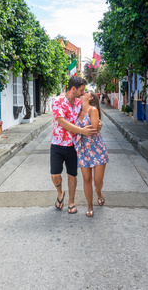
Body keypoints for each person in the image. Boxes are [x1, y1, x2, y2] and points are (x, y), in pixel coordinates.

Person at [51, 76, 97, 214]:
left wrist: (97, 123)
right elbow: (62, 122)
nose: (83, 93)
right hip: (58, 143)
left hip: (74, 144)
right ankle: (60, 193)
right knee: (55, 174)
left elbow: (87, 114)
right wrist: (82, 131)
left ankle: (71, 202)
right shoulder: (57, 101)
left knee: (72, 175)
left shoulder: (79, 103)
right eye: (81, 90)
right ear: (73, 89)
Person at [74, 91, 109, 217]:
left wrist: (81, 130)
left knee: (97, 181)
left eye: (86, 93)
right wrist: (81, 131)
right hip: (83, 150)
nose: (82, 93)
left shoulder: (93, 110)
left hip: (97, 149)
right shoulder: (77, 110)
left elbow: (94, 130)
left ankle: (99, 193)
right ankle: (89, 206)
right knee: (86, 179)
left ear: (91, 98)